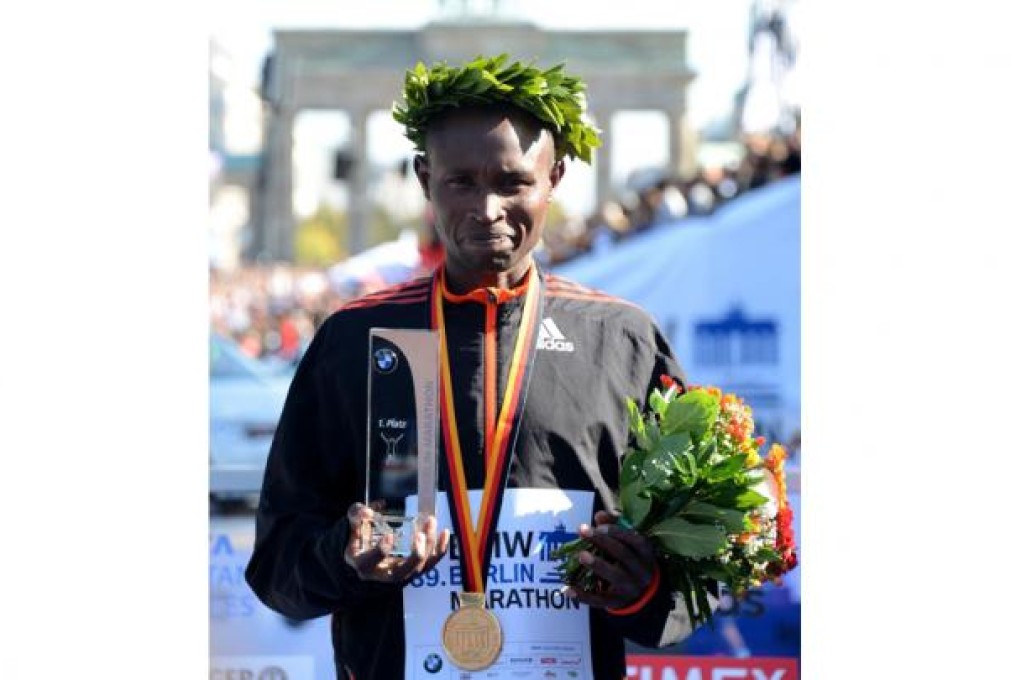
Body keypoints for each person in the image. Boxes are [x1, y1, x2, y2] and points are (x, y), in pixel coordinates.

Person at [245, 54, 707, 679]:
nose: (487, 208)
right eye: (461, 181)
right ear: (423, 177)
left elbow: (693, 568)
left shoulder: (622, 339)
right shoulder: (353, 340)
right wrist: (343, 559)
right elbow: (278, 565)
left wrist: (646, 587)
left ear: (555, 178)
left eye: (513, 181)